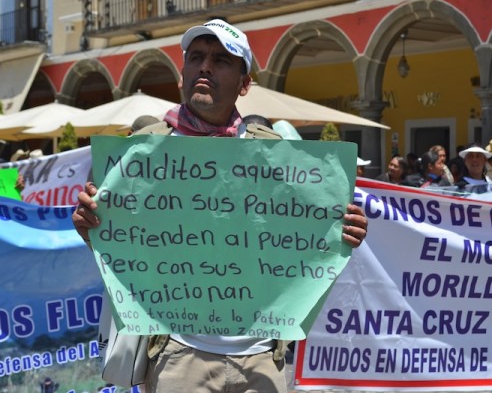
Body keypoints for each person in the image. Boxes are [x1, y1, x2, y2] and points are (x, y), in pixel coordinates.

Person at [72, 19, 368, 393]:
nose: (206, 67)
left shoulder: (276, 153)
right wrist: (90, 228)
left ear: (245, 84)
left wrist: (345, 231)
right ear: (182, 75)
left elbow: (310, 236)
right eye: (196, 57)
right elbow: (120, 241)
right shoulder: (141, 152)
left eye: (221, 60)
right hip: (178, 357)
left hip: (262, 358)